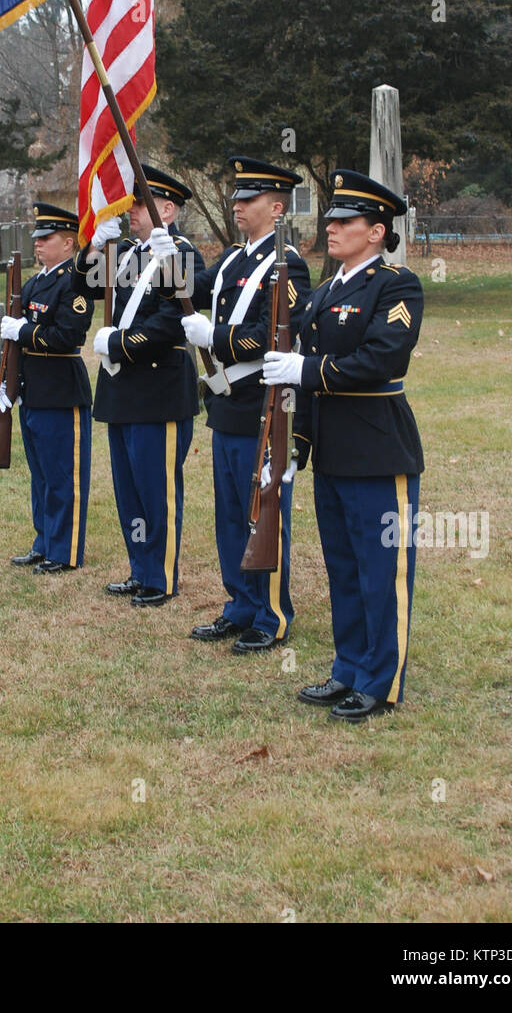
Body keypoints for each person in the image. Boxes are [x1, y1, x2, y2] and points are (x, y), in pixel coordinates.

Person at [262, 170, 424, 720]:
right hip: (332, 452)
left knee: (382, 570)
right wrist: (294, 447)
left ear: (377, 231)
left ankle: (380, 682)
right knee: (344, 567)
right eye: (330, 219)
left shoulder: (396, 285)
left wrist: (305, 368)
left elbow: (380, 359)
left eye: (345, 221)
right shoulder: (329, 289)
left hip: (377, 449)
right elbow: (303, 371)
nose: (331, 228)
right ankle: (348, 669)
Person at [179, 157, 312, 654]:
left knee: (264, 510)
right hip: (227, 408)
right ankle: (239, 604)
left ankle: (271, 613)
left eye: (249, 199)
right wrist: (170, 250)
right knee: (231, 513)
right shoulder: (235, 259)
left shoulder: (287, 263)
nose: (237, 205)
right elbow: (192, 287)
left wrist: (212, 335)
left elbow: (273, 335)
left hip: (262, 407)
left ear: (276, 207)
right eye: (236, 197)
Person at [73, 166, 204, 607]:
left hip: (158, 386)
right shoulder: (124, 253)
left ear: (166, 209)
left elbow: (173, 322)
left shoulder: (181, 253)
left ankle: (161, 576)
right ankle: (139, 568)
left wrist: (119, 342)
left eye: (138, 204)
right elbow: (82, 285)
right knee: (128, 488)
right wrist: (95, 244)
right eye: (127, 204)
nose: (129, 211)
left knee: (155, 488)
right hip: (121, 388)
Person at [0, 204, 94, 575]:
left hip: (61, 389)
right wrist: (9, 383)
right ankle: (44, 543)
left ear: (69, 243)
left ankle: (65, 550)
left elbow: (68, 335)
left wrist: (23, 331)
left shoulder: (75, 281)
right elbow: (17, 342)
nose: (38, 244)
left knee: (62, 476)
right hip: (35, 391)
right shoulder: (36, 282)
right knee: (40, 475)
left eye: (46, 238)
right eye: (36, 237)